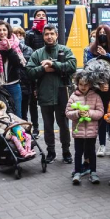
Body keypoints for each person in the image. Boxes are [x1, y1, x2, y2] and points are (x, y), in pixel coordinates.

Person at [26, 24, 77, 164]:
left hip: (62, 92)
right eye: (46, 34)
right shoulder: (37, 54)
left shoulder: (65, 50)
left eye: (52, 34)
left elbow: (72, 66)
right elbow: (29, 71)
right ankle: (51, 152)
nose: (49, 36)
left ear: (57, 35)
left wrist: (53, 65)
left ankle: (66, 151)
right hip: (44, 93)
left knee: (64, 125)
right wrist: (43, 69)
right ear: (43, 36)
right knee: (48, 126)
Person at [65, 69, 105, 185]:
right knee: (78, 152)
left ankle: (93, 172)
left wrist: (90, 114)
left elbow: (100, 112)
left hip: (91, 132)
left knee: (91, 152)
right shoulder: (73, 97)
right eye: (81, 84)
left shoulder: (96, 96)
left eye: (86, 84)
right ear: (77, 84)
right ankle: (77, 172)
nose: (83, 87)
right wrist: (77, 113)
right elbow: (68, 112)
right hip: (79, 132)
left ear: (90, 84)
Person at [0, 21, 26, 117]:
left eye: (4, 30)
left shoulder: (15, 44)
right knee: (0, 114)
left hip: (13, 85)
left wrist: (10, 50)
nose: (2, 32)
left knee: (17, 113)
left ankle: (17, 132)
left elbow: (18, 64)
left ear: (8, 31)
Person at [24, 9, 48, 137]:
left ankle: (46, 126)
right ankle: (35, 128)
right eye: (38, 15)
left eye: (43, 15)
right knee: (32, 102)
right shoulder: (30, 34)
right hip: (35, 70)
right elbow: (27, 53)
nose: (41, 17)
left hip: (46, 71)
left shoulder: (49, 32)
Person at [12, 27, 35, 126]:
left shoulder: (28, 50)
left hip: (25, 86)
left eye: (20, 35)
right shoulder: (8, 49)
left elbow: (30, 67)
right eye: (15, 35)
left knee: (24, 113)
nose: (18, 37)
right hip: (13, 84)